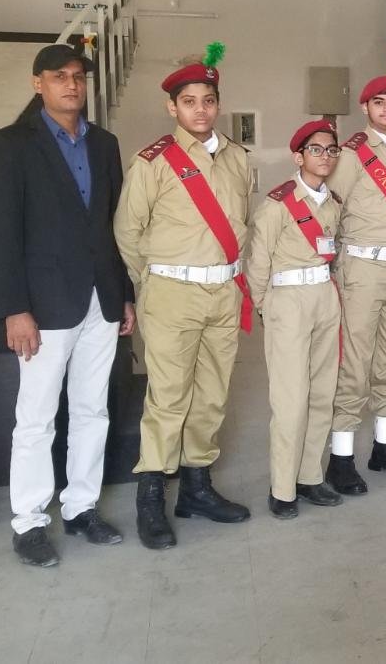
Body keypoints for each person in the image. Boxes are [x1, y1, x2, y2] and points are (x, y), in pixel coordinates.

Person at [0, 44, 134, 566]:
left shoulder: (105, 143)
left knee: (93, 409)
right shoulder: (10, 145)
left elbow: (112, 226)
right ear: (38, 84)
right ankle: (28, 521)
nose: (71, 85)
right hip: (43, 306)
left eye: (77, 76)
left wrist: (124, 293)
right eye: (59, 76)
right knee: (37, 417)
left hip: (100, 298)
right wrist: (13, 308)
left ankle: (81, 507)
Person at [115, 42, 253, 551]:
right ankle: (150, 495)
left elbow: (243, 223)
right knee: (168, 396)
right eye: (189, 102)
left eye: (208, 101)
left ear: (218, 105)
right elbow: (128, 231)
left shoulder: (237, 159)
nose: (200, 110)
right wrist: (152, 284)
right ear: (172, 107)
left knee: (212, 393)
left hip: (223, 291)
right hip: (172, 293)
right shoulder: (153, 162)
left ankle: (196, 488)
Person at [326, 52, 386, 493]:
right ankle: (341, 457)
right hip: (362, 269)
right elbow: (329, 211)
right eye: (379, 103)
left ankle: (385, 447)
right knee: (354, 363)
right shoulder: (349, 156)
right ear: (365, 107)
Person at [245, 119, 345, 519]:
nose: (325, 157)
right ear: (298, 156)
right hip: (288, 301)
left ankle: (310, 476)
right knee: (290, 399)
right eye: (316, 149)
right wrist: (267, 307)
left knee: (322, 393)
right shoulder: (277, 205)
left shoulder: (333, 203)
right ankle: (283, 488)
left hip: (324, 297)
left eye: (331, 150)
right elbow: (257, 263)